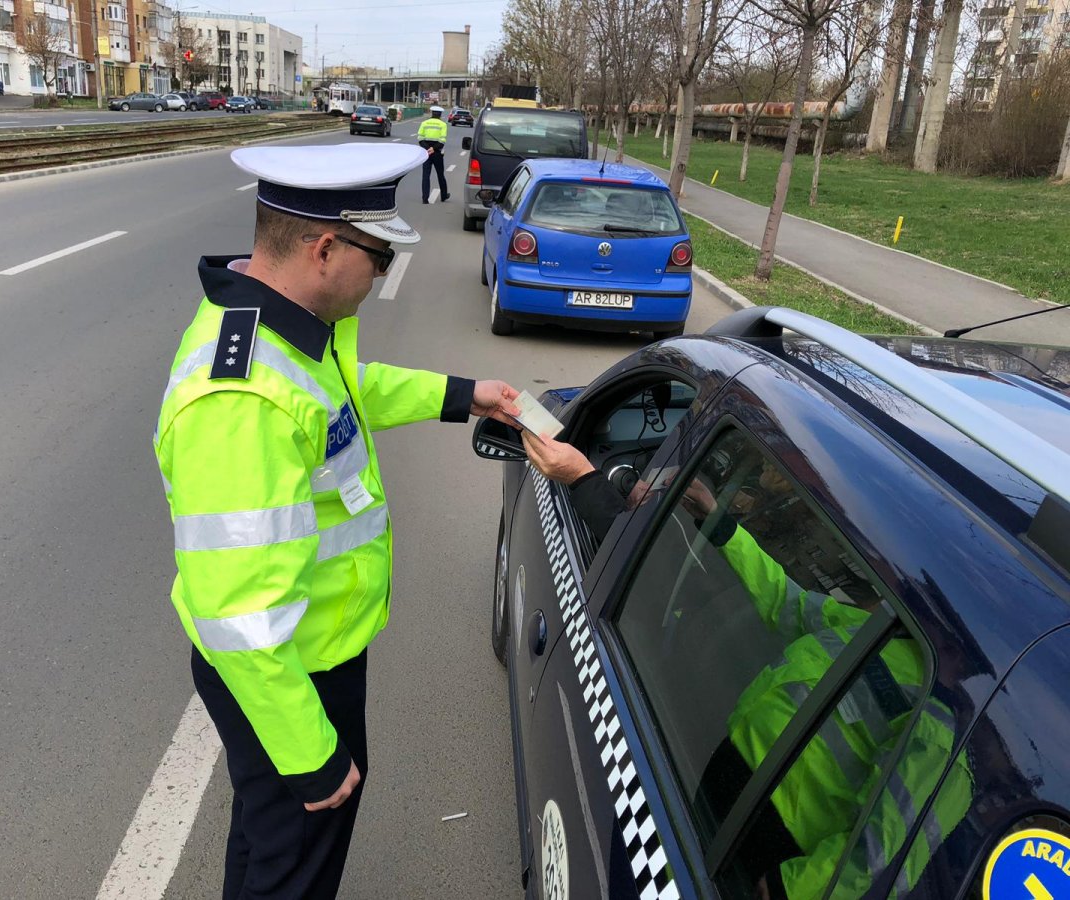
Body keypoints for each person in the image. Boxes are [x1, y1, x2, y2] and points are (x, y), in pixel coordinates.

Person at [153, 142, 520, 900]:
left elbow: (346, 400)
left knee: (266, 843)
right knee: (295, 862)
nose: (382, 274)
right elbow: (240, 618)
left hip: (313, 652)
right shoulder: (242, 400)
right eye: (379, 258)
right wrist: (310, 752)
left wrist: (461, 394)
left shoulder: (288, 329)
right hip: (288, 673)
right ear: (325, 247)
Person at [521, 432, 970, 899]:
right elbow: (784, 602)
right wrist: (718, 522)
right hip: (728, 773)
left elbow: (887, 854)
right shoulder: (886, 631)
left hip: (770, 844)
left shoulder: (947, 717)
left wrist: (786, 889)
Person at [416, 104, 450, 203]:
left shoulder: (424, 123)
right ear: (440, 115)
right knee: (440, 174)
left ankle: (425, 198)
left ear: (432, 113)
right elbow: (442, 140)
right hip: (437, 152)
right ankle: (444, 196)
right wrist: (433, 149)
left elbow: (420, 138)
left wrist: (428, 149)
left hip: (426, 152)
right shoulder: (443, 125)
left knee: (426, 175)